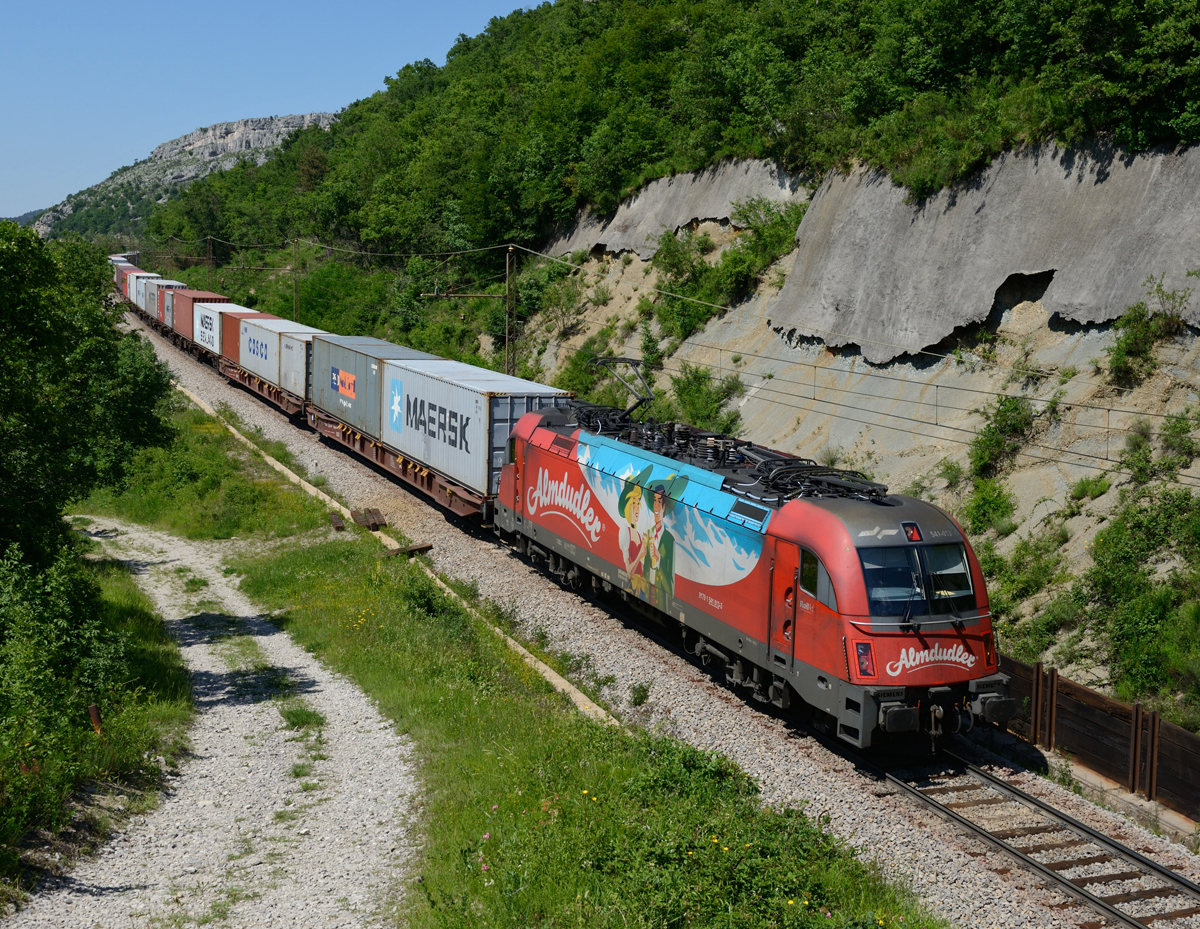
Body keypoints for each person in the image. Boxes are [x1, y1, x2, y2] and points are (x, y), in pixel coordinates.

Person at [617, 466, 652, 600]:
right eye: (633, 503)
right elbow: (629, 573)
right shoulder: (625, 532)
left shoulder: (637, 534)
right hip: (633, 585)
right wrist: (640, 555)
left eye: (638, 503)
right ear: (627, 506)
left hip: (641, 587)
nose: (637, 508)